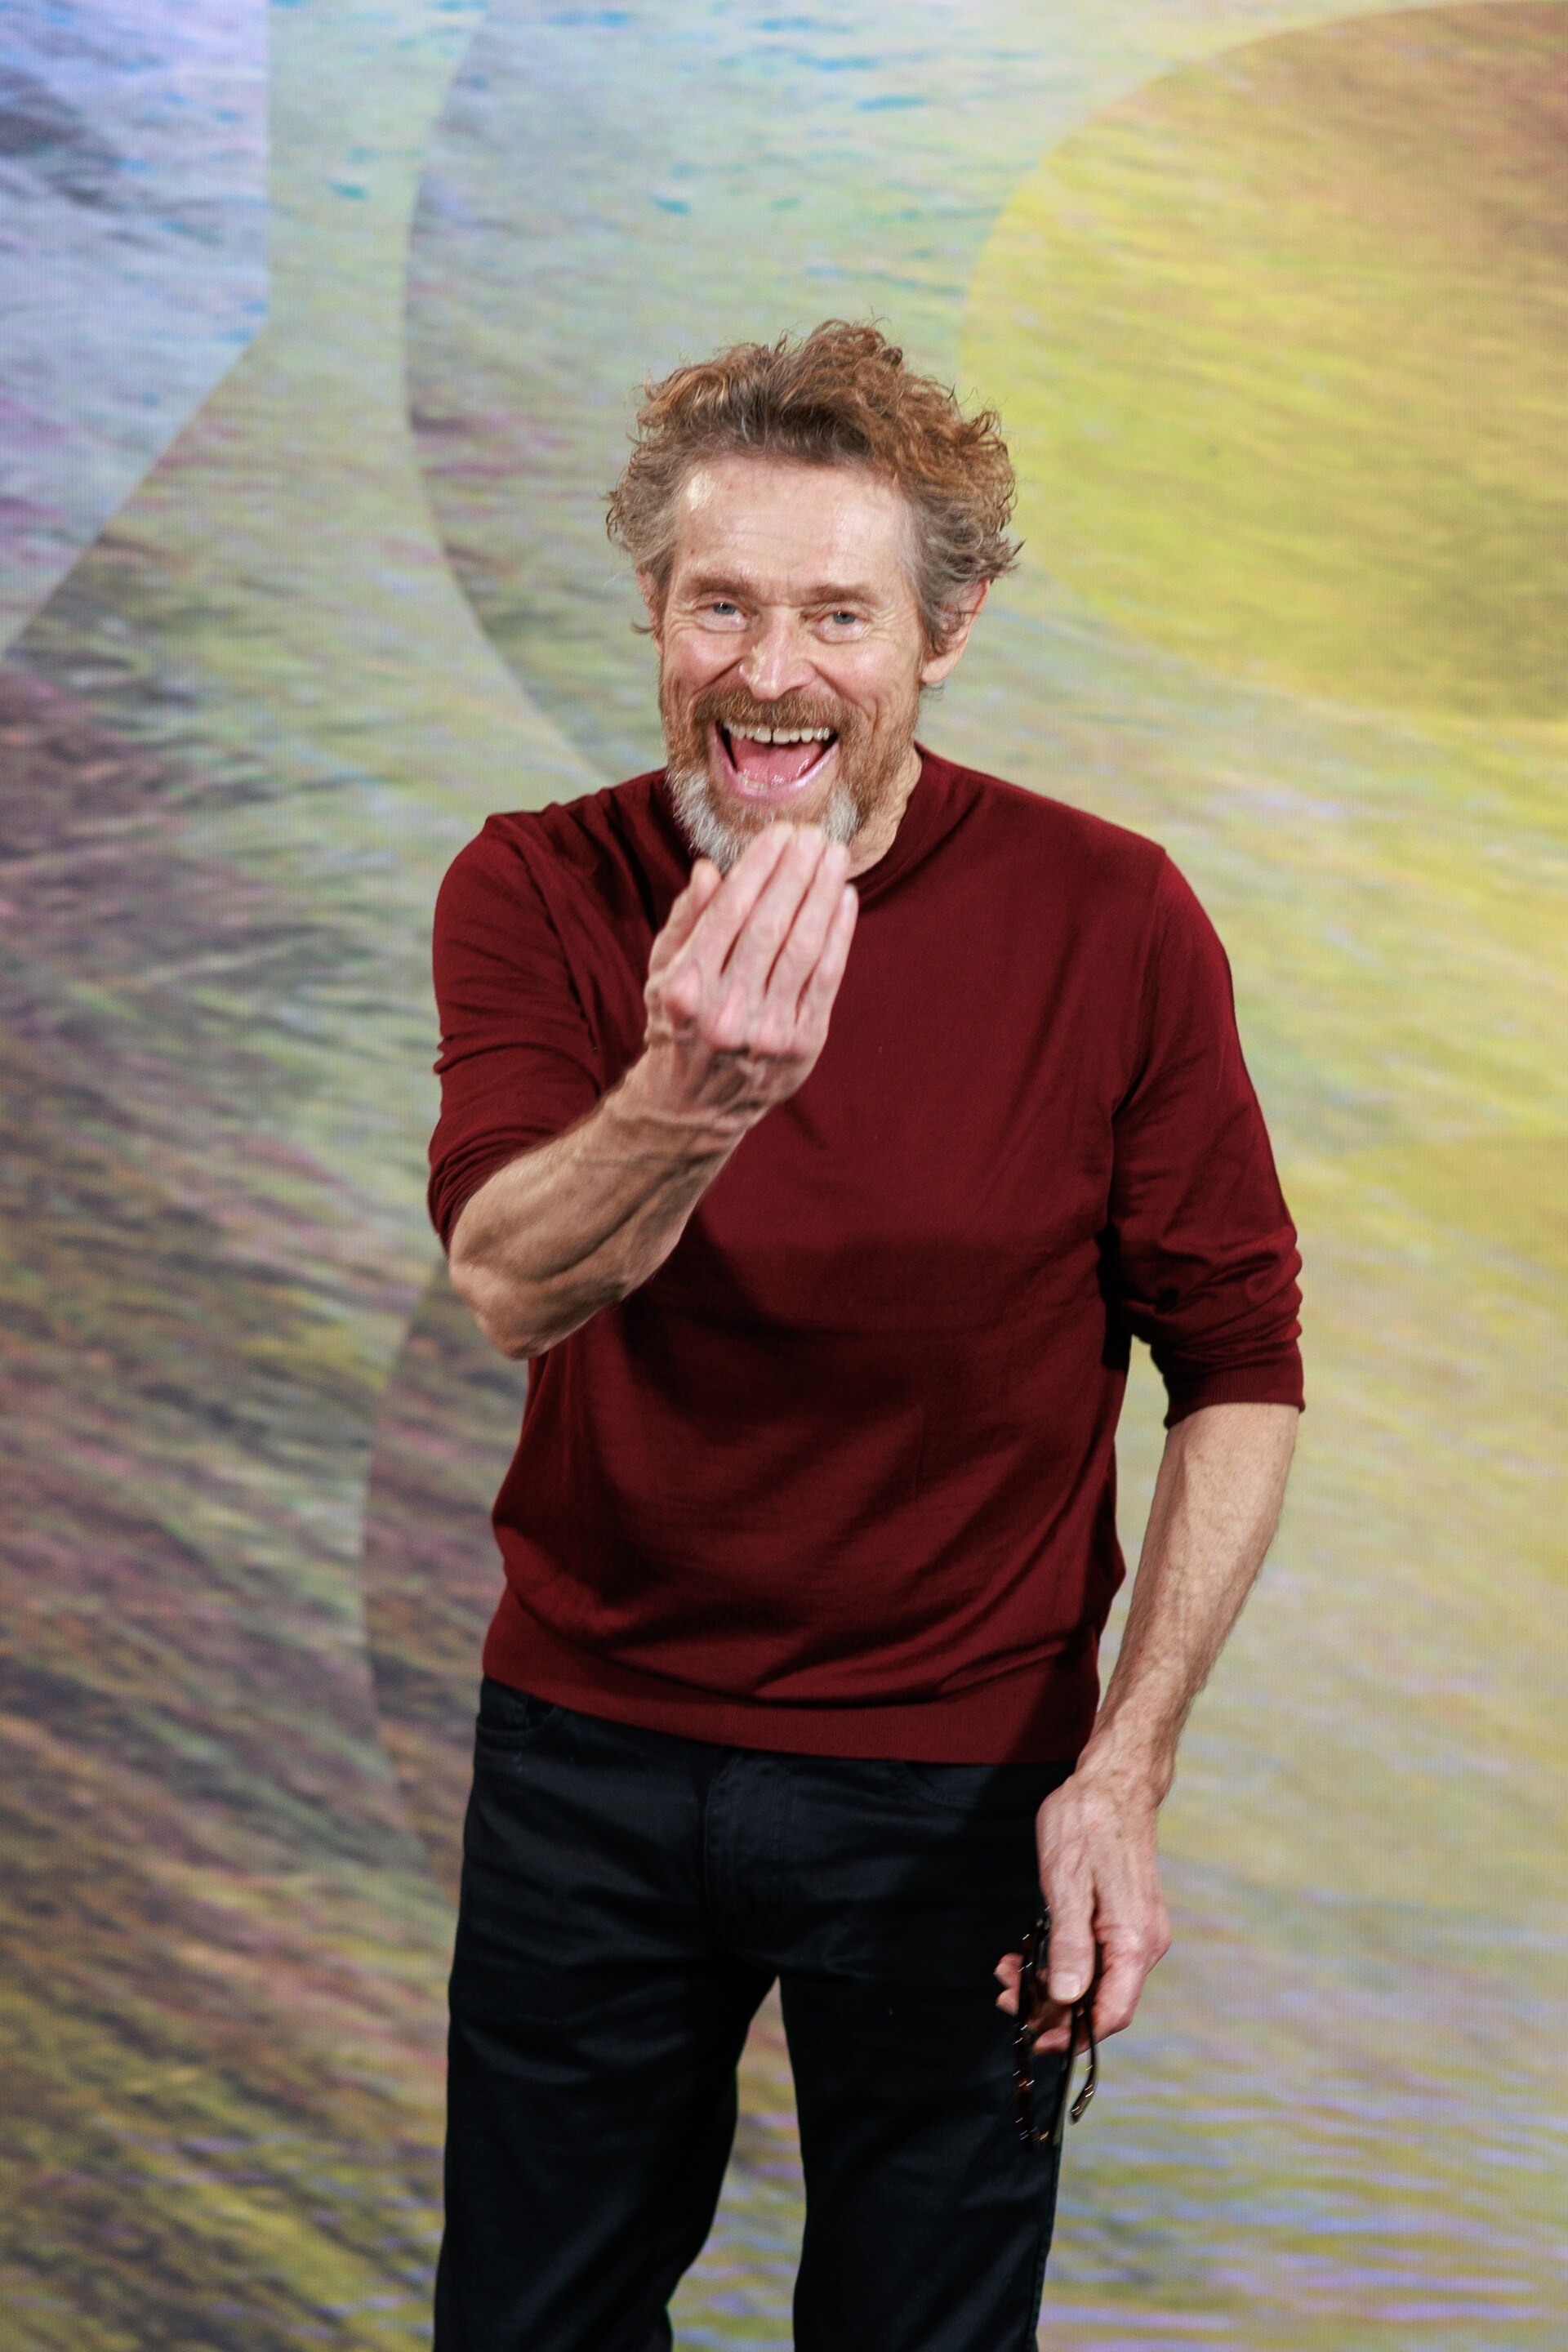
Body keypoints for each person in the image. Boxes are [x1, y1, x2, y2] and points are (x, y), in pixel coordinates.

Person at [425, 321, 1302, 2352]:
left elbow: (1239, 1363)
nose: (768, 670)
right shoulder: (539, 886)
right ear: (655, 610)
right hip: (588, 1754)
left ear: (945, 633)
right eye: (719, 603)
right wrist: (692, 1098)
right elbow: (507, 1281)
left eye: (839, 612)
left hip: (961, 1780)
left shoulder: (1115, 919)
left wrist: (1125, 1765)